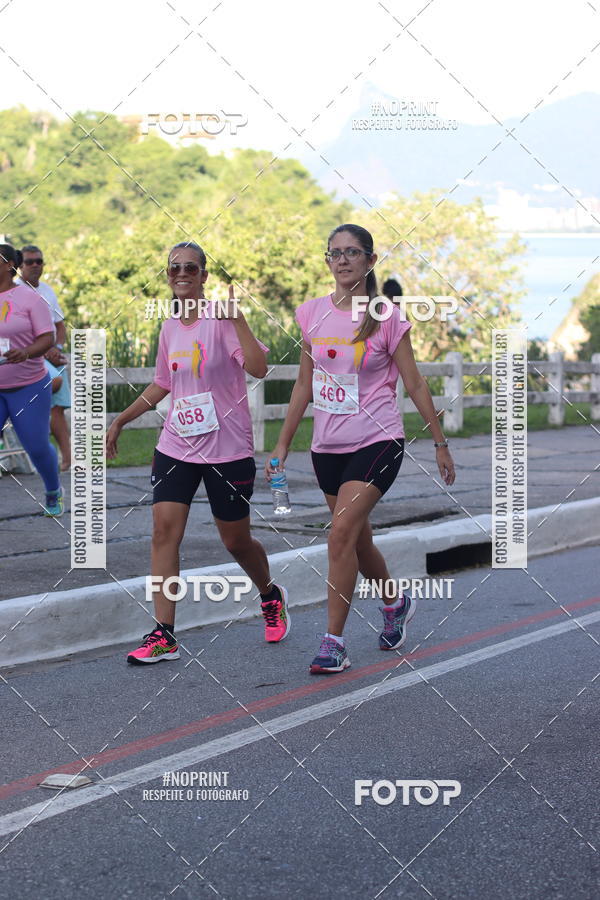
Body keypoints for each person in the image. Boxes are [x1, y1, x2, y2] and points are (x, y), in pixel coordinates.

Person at [266, 224, 456, 674]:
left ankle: (333, 642)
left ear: (370, 261)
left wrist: (440, 443)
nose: (343, 260)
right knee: (357, 537)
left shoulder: (386, 316)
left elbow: (414, 383)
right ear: (328, 261)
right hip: (327, 446)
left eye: (353, 253)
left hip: (378, 441)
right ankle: (395, 602)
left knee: (340, 534)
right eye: (335, 253)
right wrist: (281, 445)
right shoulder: (311, 313)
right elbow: (303, 386)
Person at [106, 242, 290, 665]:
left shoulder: (222, 320)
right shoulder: (170, 328)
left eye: (191, 267)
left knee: (235, 540)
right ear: (168, 276)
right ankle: (164, 634)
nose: (182, 273)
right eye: (174, 268)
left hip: (227, 449)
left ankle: (269, 594)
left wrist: (239, 317)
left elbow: (260, 368)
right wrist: (121, 419)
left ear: (204, 275)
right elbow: (162, 384)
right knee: (163, 533)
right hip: (177, 446)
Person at [0, 244, 63, 515]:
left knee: (36, 445)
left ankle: (53, 491)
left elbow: (47, 338)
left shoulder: (29, 298)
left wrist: (25, 353)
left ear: (9, 265)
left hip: (29, 385)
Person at [17, 245, 71, 471]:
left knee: (57, 409)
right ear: (19, 266)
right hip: (28, 356)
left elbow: (60, 325)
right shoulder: (15, 292)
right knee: (53, 384)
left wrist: (57, 347)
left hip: (52, 355)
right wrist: (43, 348)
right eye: (30, 262)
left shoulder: (48, 291)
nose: (35, 265)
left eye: (39, 261)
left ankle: (68, 459)